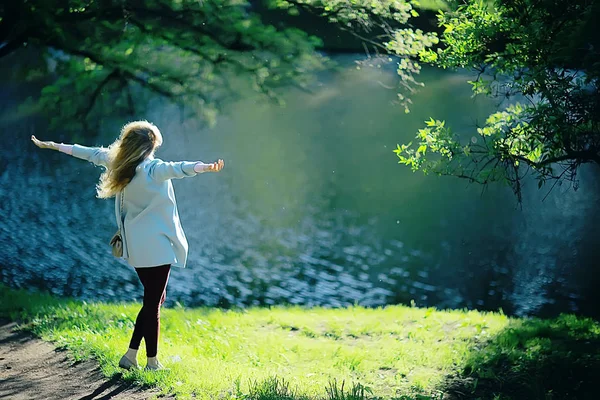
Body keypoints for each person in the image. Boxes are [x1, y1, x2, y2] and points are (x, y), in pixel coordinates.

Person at [31, 120, 224, 370]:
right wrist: (205, 167)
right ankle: (152, 362)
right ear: (147, 147)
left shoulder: (117, 163)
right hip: (159, 245)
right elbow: (179, 168)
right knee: (153, 304)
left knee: (153, 300)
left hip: (135, 247)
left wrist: (53, 145)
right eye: (154, 146)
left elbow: (86, 152)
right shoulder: (153, 168)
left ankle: (130, 356)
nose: (155, 152)